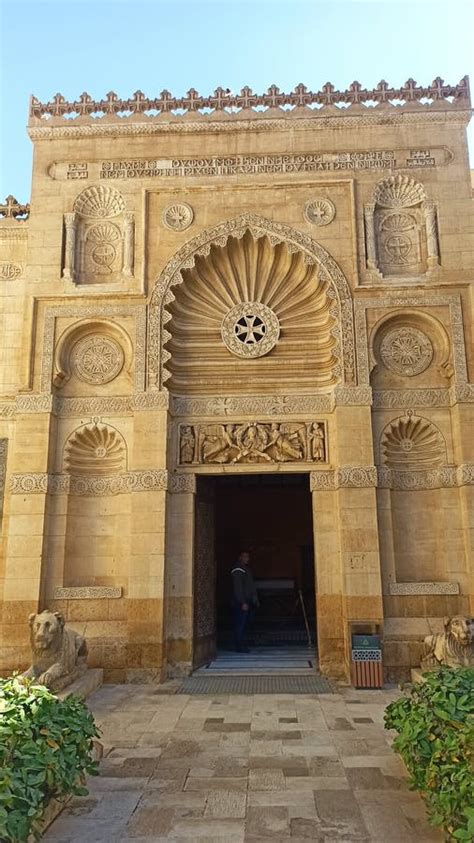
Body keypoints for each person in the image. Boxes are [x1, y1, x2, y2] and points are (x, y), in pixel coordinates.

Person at [231, 550, 259, 652]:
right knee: (240, 624)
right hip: (241, 603)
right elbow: (238, 588)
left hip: (247, 602)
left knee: (244, 624)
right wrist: (242, 602)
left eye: (248, 557)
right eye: (245, 556)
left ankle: (242, 643)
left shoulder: (245, 569)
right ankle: (239, 645)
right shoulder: (238, 569)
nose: (247, 558)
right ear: (240, 557)